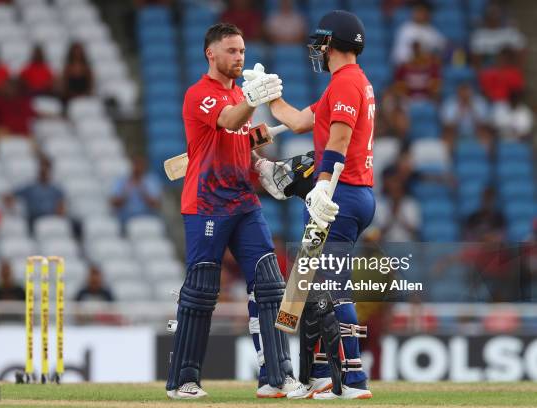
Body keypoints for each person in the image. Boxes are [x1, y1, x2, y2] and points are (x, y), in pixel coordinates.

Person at [166, 23, 298, 399]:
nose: (239, 57)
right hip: (207, 203)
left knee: (271, 283)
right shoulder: (199, 95)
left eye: (242, 51)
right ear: (211, 54)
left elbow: (241, 138)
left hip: (243, 201)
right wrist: (252, 102)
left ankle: (276, 376)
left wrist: (260, 164)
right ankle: (183, 379)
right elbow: (228, 121)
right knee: (202, 290)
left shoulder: (240, 93)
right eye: (231, 51)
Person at [256, 10, 375, 399]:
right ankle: (324, 375)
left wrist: (322, 187)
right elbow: (299, 122)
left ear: (331, 44)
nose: (318, 51)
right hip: (352, 193)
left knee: (333, 287)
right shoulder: (347, 82)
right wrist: (269, 97)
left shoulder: (345, 83)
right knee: (315, 286)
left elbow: (338, 141)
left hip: (340, 193)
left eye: (321, 44)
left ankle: (353, 379)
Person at [110, 156, 162, 224]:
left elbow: (156, 205)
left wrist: (142, 189)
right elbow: (113, 202)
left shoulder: (152, 180)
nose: (138, 168)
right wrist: (126, 192)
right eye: (136, 164)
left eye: (140, 165)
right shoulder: (122, 180)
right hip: (125, 218)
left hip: (147, 216)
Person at [13, 159, 65, 226]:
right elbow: (12, 195)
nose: (44, 171)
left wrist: (60, 213)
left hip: (52, 216)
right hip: (34, 218)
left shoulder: (56, 189)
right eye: (42, 169)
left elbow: (61, 204)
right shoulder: (30, 187)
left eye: (46, 169)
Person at [391, 1, 445, 66]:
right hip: (405, 68)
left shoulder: (431, 31)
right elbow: (415, 52)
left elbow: (444, 46)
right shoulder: (406, 29)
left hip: (424, 68)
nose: (421, 14)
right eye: (418, 11)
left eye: (423, 11)